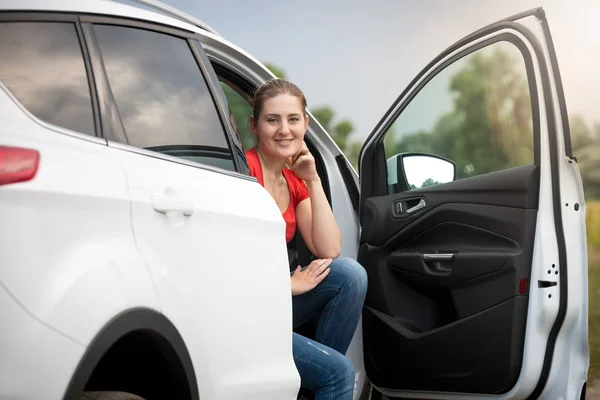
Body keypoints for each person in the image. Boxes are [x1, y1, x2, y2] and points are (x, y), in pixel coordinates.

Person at [246, 78, 368, 400]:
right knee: (339, 372)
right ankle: (324, 381)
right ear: (255, 126)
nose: (284, 129)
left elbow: (329, 249)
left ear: (306, 124)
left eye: (293, 119)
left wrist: (312, 179)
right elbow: (231, 262)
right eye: (272, 119)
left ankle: (314, 383)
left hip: (276, 303)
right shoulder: (243, 171)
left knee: (350, 275)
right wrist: (284, 285)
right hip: (246, 305)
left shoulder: (294, 179)